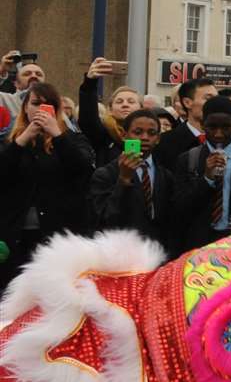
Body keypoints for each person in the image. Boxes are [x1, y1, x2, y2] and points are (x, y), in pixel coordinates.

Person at [0, 83, 94, 290]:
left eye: (48, 105)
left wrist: (58, 135)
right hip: (17, 235)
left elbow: (83, 169)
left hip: (56, 234)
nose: (41, 110)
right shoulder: (10, 142)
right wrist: (23, 139)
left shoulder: (72, 138)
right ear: (25, 107)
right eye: (35, 104)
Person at [86, 108, 186, 255]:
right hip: (120, 253)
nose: (144, 137)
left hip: (156, 252)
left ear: (158, 139)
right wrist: (123, 180)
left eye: (151, 133)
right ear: (125, 136)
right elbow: (104, 218)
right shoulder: (105, 174)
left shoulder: (165, 175)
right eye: (137, 132)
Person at [172, 98, 231, 251]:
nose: (218, 134)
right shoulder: (189, 159)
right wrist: (206, 179)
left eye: (225, 127)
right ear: (203, 124)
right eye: (212, 127)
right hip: (200, 242)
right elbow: (180, 206)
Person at [77, 58, 140, 166]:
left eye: (131, 101)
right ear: (110, 110)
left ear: (141, 108)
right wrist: (90, 83)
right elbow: (88, 120)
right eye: (119, 102)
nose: (125, 104)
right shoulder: (104, 135)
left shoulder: (150, 135)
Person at [154, 76, 217, 170]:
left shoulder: (226, 140)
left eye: (217, 99)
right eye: (208, 99)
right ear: (187, 102)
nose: (216, 103)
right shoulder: (164, 142)